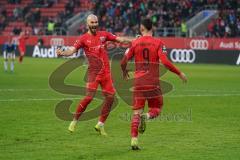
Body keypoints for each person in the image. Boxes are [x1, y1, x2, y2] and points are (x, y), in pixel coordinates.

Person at [56, 14, 131, 136]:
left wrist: (136, 40)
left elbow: (120, 40)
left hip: (106, 73)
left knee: (111, 98)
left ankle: (100, 124)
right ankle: (74, 121)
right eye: (92, 23)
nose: (95, 24)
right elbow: (72, 50)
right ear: (87, 24)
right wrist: (63, 52)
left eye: (96, 22)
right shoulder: (83, 39)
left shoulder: (104, 35)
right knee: (89, 98)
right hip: (93, 73)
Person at [121, 18, 187, 150]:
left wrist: (124, 72)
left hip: (139, 82)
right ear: (153, 28)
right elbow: (166, 62)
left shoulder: (134, 43)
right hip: (153, 82)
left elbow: (124, 61)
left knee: (136, 113)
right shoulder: (158, 43)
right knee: (157, 108)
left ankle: (134, 140)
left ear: (141, 28)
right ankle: (147, 116)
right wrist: (179, 73)